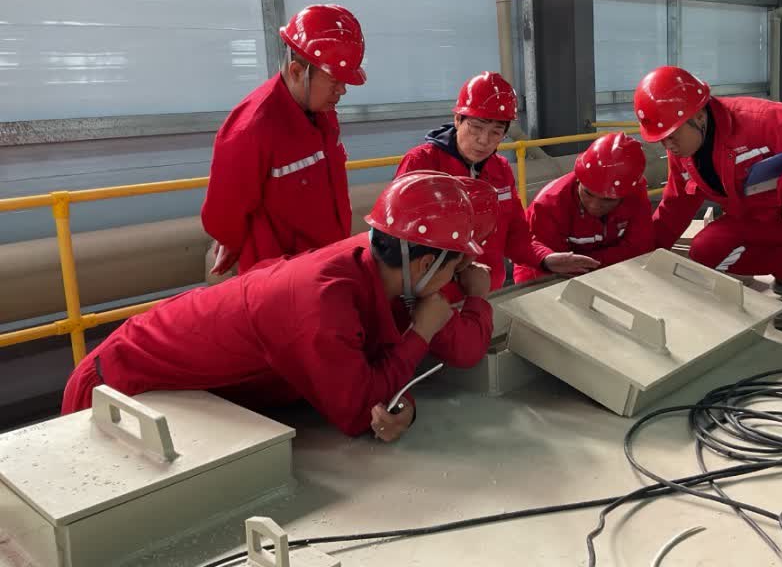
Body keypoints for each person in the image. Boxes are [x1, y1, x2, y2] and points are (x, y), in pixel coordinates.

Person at [63, 174, 496, 443]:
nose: (456, 275)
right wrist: (421, 333)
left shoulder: (373, 266)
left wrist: (403, 404)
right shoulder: (324, 300)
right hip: (120, 385)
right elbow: (357, 409)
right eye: (454, 265)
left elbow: (371, 374)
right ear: (423, 263)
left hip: (174, 385)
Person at [633, 66, 782, 329]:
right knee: (705, 250)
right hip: (766, 216)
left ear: (698, 116)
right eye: (662, 140)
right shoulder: (683, 155)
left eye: (672, 136)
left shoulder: (760, 120)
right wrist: (637, 259)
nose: (668, 146)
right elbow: (674, 208)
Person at [396, 71, 599, 290]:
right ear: (457, 120)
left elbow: (516, 235)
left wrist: (545, 259)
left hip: (489, 292)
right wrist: (453, 274)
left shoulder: (500, 169)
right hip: (434, 296)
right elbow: (399, 241)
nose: (483, 140)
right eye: (476, 127)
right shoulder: (422, 163)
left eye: (496, 132)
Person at [202, 4, 366, 275]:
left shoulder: (322, 113)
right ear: (297, 71)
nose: (343, 90)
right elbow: (222, 218)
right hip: (280, 279)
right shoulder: (252, 128)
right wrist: (235, 242)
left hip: (326, 261)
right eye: (335, 80)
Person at [513, 132, 654, 283]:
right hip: (543, 276)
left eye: (607, 200)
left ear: (627, 193)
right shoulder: (549, 204)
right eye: (588, 193)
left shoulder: (635, 193)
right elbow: (537, 263)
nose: (594, 205)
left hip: (603, 272)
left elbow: (640, 247)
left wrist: (586, 264)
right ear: (579, 180)